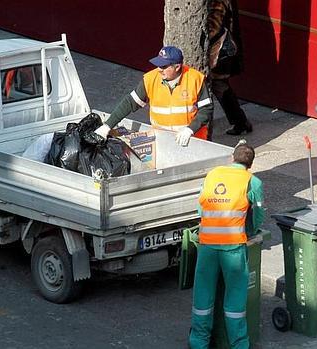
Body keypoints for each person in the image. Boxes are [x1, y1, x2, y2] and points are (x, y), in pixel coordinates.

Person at [189, 143, 264, 349]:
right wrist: (251, 230)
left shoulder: (213, 174)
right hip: (233, 248)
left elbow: (200, 208)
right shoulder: (252, 182)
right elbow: (258, 215)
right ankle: (239, 345)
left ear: (232, 158)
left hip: (207, 246)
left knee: (202, 299)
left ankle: (198, 343)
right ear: (251, 164)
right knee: (235, 303)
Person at [94, 46, 213, 146]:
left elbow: (206, 109)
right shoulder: (151, 79)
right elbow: (130, 103)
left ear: (177, 67)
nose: (159, 69)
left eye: (164, 66)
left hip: (191, 141)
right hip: (162, 140)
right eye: (158, 65)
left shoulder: (195, 79)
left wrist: (190, 129)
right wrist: (107, 126)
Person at [208, 0, 252, 136]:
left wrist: (203, 35)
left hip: (217, 50)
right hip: (218, 50)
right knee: (220, 86)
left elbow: (215, 24)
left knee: (219, 85)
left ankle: (240, 122)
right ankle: (240, 122)